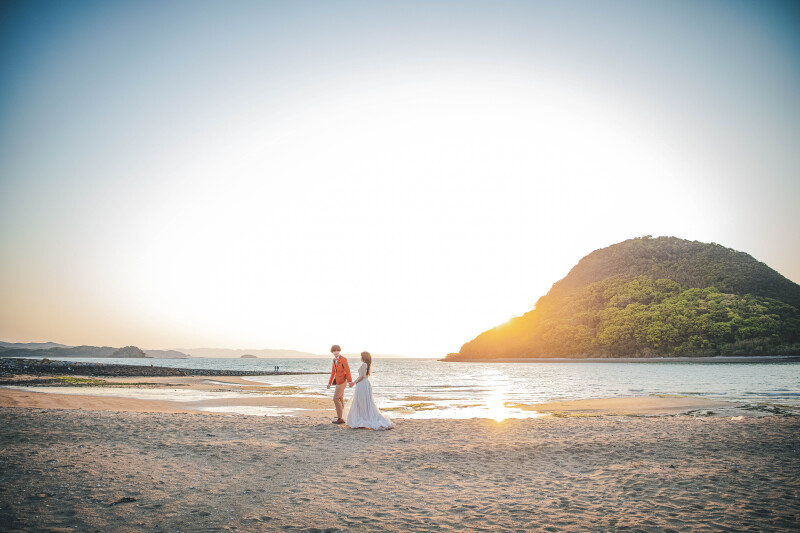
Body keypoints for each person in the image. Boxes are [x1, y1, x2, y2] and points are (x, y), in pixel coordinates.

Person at [345, 351, 394, 430]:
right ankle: (361, 418)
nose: (360, 357)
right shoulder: (365, 364)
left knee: (362, 401)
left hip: (362, 384)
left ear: (364, 357)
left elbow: (363, 376)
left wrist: (354, 382)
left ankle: (363, 419)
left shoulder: (364, 364)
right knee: (362, 401)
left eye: (361, 356)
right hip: (362, 384)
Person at [326, 345, 352, 424]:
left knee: (335, 398)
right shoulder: (334, 360)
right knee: (340, 399)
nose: (336, 352)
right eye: (334, 351)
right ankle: (344, 416)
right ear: (332, 352)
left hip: (343, 381)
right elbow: (333, 372)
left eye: (337, 350)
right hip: (337, 381)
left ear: (339, 351)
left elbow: (347, 371)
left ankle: (340, 417)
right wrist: (329, 383)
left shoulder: (343, 359)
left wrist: (350, 381)